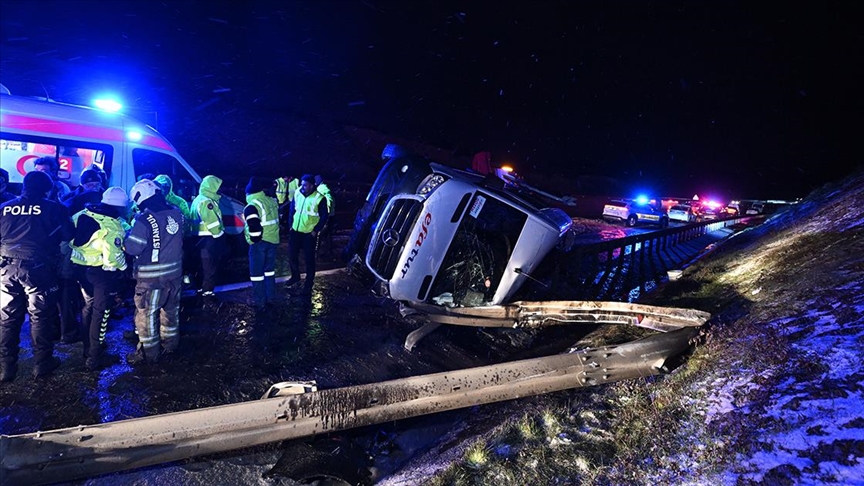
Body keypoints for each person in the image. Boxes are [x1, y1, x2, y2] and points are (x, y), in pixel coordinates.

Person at [0, 171, 75, 382]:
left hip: (6, 268)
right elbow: (69, 235)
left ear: (24, 186)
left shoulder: (4, 207)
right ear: (49, 189)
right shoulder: (56, 208)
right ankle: (42, 365)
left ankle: (6, 368)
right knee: (40, 316)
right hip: (39, 269)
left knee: (7, 318)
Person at [124, 179, 184, 365]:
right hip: (174, 275)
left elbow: (134, 248)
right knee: (171, 312)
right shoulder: (177, 213)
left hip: (151, 280)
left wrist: (124, 239)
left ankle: (149, 355)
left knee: (147, 316)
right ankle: (170, 346)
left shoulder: (144, 219)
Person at [70, 186, 130, 371]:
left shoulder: (81, 214)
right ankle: (95, 357)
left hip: (79, 269)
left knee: (88, 307)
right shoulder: (112, 225)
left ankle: (87, 349)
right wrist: (125, 267)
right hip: (100, 273)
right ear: (120, 207)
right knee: (101, 312)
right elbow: (114, 258)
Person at [285, 174, 329, 295]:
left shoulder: (320, 198)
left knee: (309, 259)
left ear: (312, 185)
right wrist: (290, 225)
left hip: (309, 233)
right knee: (292, 255)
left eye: (305, 184)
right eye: (302, 184)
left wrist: (316, 230)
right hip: (295, 231)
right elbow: (292, 209)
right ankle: (295, 276)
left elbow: (324, 216)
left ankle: (309, 282)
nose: (302, 186)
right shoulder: (298, 193)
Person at [243, 177, 281, 309]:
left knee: (257, 274)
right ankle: (271, 297)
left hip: (260, 243)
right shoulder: (270, 201)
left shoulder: (251, 206)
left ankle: (260, 301)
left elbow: (254, 226)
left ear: (248, 193)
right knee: (269, 271)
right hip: (273, 240)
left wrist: (255, 240)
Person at [190, 175, 225, 297]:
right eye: (217, 187)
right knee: (209, 265)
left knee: (200, 264)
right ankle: (208, 291)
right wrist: (219, 235)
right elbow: (212, 222)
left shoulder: (198, 199)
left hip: (198, 238)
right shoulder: (207, 202)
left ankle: (200, 287)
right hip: (208, 238)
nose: (219, 190)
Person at [314, 175, 336, 260]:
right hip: (330, 216)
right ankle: (329, 252)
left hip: (326, 216)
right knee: (327, 235)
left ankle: (316, 253)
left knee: (319, 234)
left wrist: (326, 213)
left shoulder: (322, 189)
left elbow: (329, 201)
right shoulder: (324, 188)